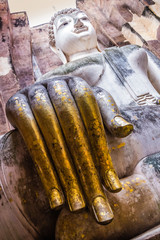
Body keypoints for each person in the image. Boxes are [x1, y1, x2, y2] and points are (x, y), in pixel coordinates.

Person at [2, 7, 160, 240]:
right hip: (95, 149)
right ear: (56, 48)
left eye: (83, 18)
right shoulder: (50, 85)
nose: (77, 23)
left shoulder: (134, 53)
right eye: (65, 24)